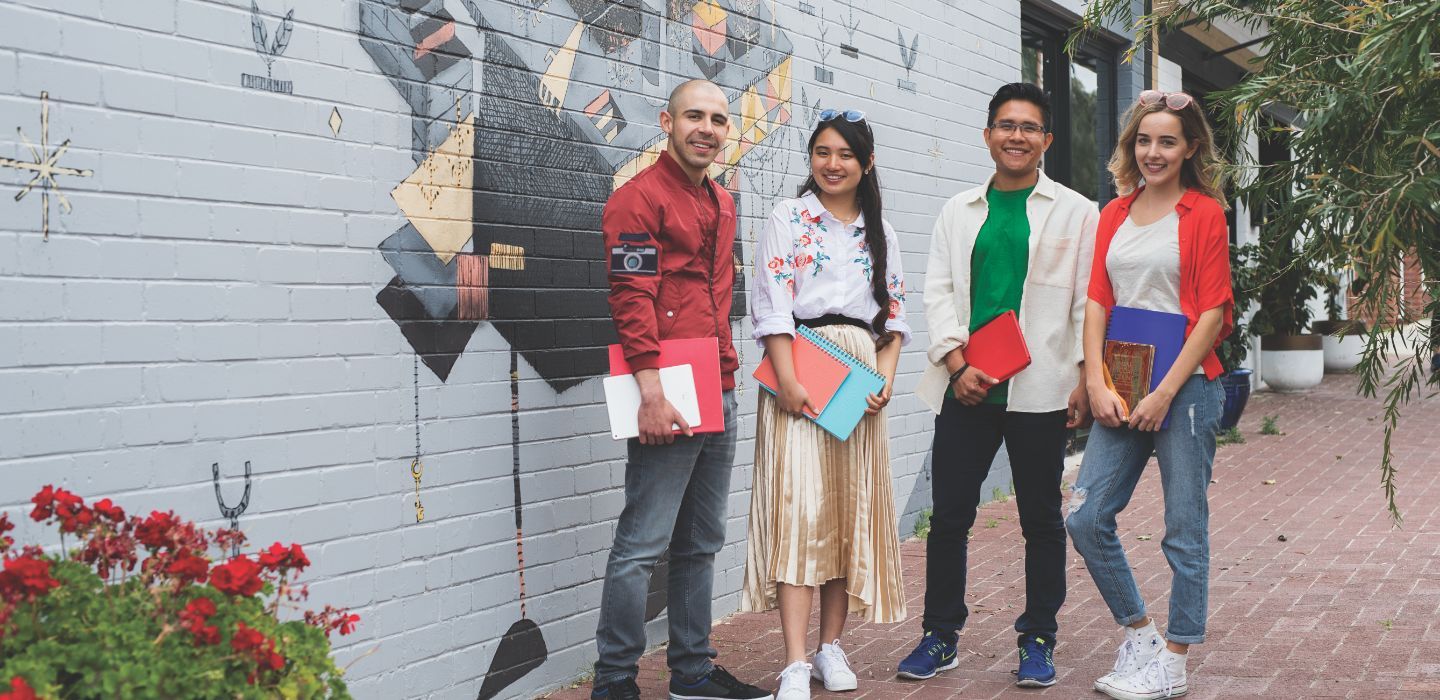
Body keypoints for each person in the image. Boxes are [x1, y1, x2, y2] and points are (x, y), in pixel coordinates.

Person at [902, 82, 1098, 688]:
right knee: (950, 517)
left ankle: (1038, 636)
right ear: (987, 135)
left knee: (1041, 518)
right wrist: (956, 365)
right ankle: (940, 635)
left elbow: (1087, 302)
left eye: (1029, 127)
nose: (1017, 136)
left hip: (1041, 390)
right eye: (1006, 125)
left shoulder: (1076, 210)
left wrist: (1086, 378)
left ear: (1047, 140)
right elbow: (936, 292)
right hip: (967, 388)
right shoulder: (957, 211)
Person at [592, 79, 771, 700]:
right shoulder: (637, 200)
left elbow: (715, 300)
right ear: (667, 121)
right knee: (641, 544)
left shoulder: (722, 201)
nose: (707, 128)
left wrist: (729, 378)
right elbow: (630, 300)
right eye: (694, 116)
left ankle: (692, 674)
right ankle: (614, 681)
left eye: (718, 120)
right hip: (664, 391)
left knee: (700, 542)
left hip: (716, 386)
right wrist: (650, 392)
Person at [1065, 89, 1234, 700]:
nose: (1153, 151)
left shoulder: (1203, 214)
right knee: (1085, 516)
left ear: (1189, 148)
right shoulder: (1113, 212)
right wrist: (1094, 381)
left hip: (1185, 389)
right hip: (1120, 379)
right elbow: (1097, 300)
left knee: (1184, 528)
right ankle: (1141, 635)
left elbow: (1213, 312)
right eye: (1144, 140)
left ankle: (1177, 661)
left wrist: (1166, 393)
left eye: (1167, 141)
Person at [742, 109, 909, 700]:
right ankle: (792, 661)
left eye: (845, 155)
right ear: (810, 158)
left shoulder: (879, 230)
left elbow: (894, 320)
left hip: (858, 377)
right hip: (801, 368)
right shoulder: (788, 218)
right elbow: (771, 305)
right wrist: (787, 381)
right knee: (798, 513)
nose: (832, 164)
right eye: (822, 152)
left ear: (867, 164)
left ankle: (829, 647)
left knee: (843, 516)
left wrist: (883, 380)